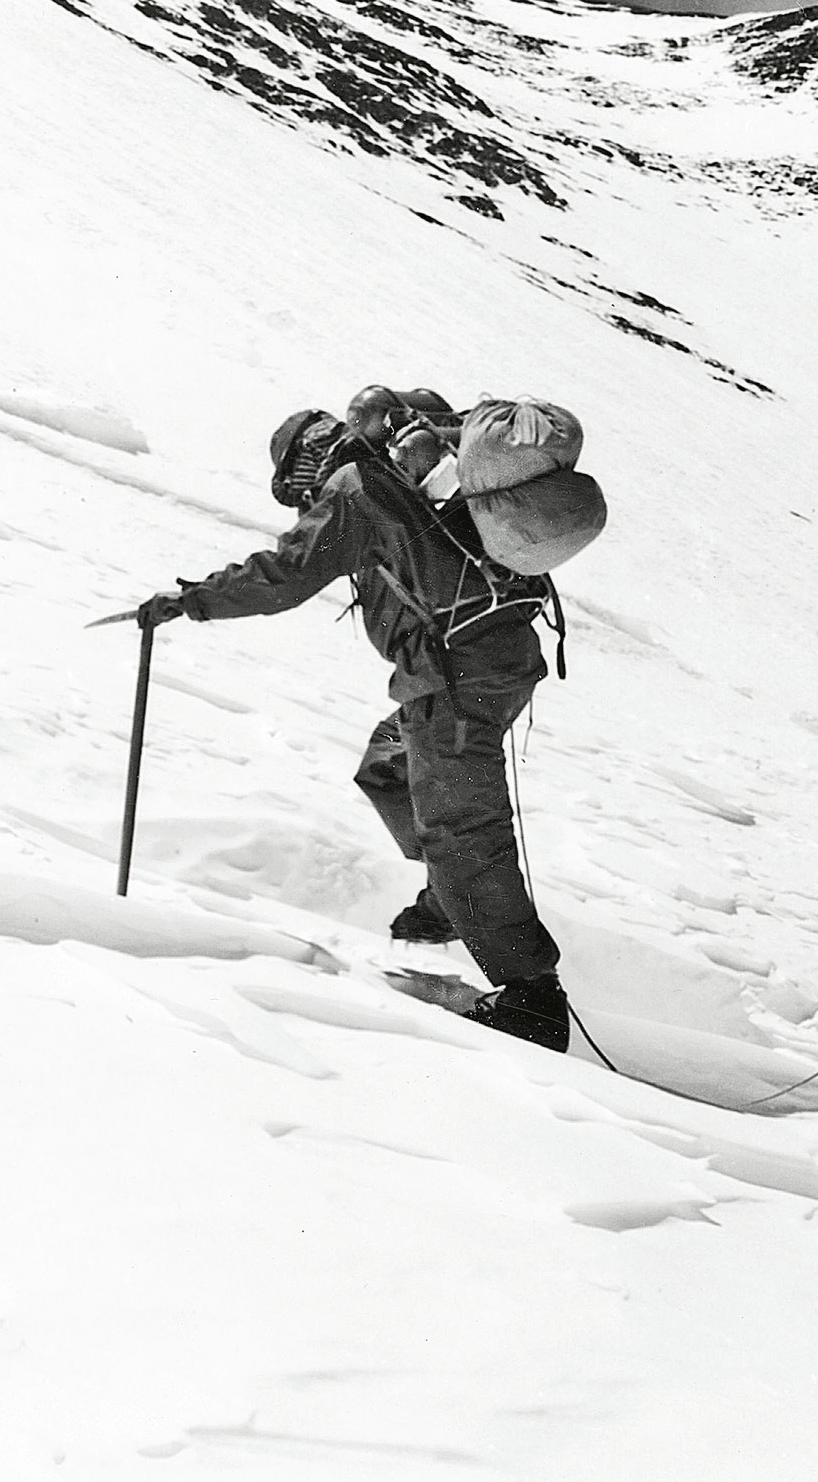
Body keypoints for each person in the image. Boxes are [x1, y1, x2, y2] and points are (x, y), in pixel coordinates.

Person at [134, 387, 569, 1052]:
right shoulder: (401, 473)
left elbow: (284, 574)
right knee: (391, 769)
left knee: (460, 826)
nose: (301, 499)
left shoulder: (357, 488)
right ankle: (448, 904)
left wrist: (189, 600)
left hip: (459, 678)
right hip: (485, 661)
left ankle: (531, 1000)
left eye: (295, 486)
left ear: (306, 463)